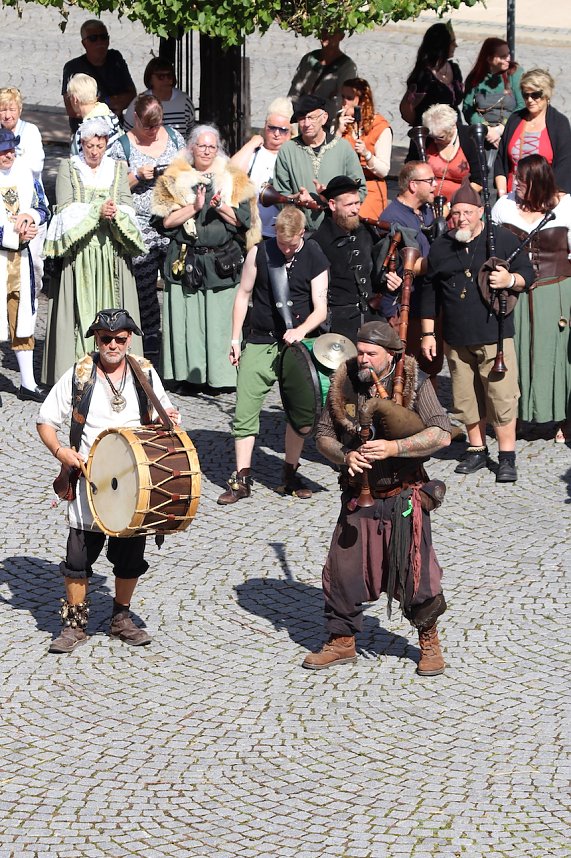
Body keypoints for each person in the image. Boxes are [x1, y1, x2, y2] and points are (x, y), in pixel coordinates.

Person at [302, 320, 451, 676]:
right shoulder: (345, 382)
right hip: (359, 494)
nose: (363, 358)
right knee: (341, 570)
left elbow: (442, 435)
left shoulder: (417, 382)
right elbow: (323, 434)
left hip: (404, 495)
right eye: (360, 351)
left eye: (371, 353)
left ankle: (428, 640)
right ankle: (342, 641)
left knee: (417, 573)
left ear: (391, 354)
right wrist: (345, 455)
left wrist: (395, 447)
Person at [37, 308, 181, 654]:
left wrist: (171, 418)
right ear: (96, 339)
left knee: (130, 557)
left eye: (120, 338)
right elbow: (44, 420)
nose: (113, 345)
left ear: (129, 339)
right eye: (106, 339)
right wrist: (61, 452)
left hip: (134, 485)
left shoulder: (144, 373)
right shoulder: (80, 375)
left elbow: (168, 413)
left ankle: (121, 617)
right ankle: (74, 624)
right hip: (90, 483)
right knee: (77, 559)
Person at [420, 181, 535, 482]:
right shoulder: (442, 246)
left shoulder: (501, 239)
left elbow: (529, 274)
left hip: (494, 335)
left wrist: (510, 280)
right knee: (466, 397)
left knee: (501, 396)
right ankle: (476, 449)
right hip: (456, 339)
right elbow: (429, 293)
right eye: (456, 213)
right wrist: (428, 334)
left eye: (468, 212)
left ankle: (507, 456)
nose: (462, 218)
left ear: (481, 211)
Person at [217, 207, 328, 504]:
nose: (286, 249)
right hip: (261, 340)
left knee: (299, 409)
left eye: (291, 245)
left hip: (298, 343)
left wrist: (301, 330)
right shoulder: (259, 253)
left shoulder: (314, 255)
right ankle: (241, 479)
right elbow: (243, 293)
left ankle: (290, 473)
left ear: (302, 234)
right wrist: (235, 337)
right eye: (281, 243)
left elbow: (321, 308)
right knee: (245, 409)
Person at [151, 124, 260, 392]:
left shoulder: (233, 178)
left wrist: (221, 207)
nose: (207, 151)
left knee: (220, 322)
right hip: (185, 260)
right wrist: (194, 207)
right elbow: (164, 222)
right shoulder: (173, 177)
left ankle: (221, 378)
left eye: (212, 146)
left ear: (218, 149)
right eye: (202, 145)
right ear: (191, 148)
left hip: (221, 261)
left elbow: (243, 222)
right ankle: (189, 378)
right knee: (188, 323)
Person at [42, 117, 145, 386]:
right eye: (89, 146)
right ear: (82, 144)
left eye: (99, 146)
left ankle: (116, 367)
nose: (94, 151)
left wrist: (115, 215)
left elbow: (128, 206)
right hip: (80, 253)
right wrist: (94, 213)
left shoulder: (117, 169)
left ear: (106, 144)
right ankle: (76, 370)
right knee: (77, 312)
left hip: (111, 251)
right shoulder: (69, 168)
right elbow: (63, 209)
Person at [492, 155, 571, 441]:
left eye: (522, 181)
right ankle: (519, 415)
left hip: (556, 289)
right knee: (519, 352)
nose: (516, 185)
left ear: (538, 183)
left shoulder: (567, 208)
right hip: (516, 291)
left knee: (557, 355)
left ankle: (564, 418)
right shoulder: (504, 206)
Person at [109, 94, 185, 357]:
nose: (153, 132)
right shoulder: (122, 146)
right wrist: (138, 176)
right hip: (139, 225)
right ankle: (150, 336)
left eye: (157, 126)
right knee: (144, 283)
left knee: (177, 279)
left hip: (171, 221)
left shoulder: (174, 138)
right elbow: (115, 186)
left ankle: (177, 335)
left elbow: (188, 171)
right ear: (136, 119)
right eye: (147, 126)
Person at [312, 175, 401, 341]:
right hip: (338, 325)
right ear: (332, 205)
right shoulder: (318, 242)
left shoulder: (366, 231)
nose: (355, 209)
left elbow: (377, 271)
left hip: (373, 319)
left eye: (357, 203)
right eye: (349, 205)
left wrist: (390, 280)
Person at [380, 162, 442, 379]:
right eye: (430, 181)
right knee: (406, 373)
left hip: (427, 303)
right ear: (413, 185)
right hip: (405, 306)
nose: (435, 185)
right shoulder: (392, 218)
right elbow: (400, 269)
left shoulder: (426, 210)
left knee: (429, 369)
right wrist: (442, 261)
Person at [0, 128, 49, 402]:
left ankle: (27, 384)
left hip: (22, 261)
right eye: (3, 151)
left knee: (23, 318)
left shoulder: (25, 173)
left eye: (11, 149)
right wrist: (13, 236)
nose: (9, 154)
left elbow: (44, 206)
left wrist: (30, 218)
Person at [272, 94, 366, 232]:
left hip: (338, 230)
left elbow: (361, 190)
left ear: (324, 118)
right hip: (301, 231)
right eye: (302, 119)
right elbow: (279, 194)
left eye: (311, 117)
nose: (306, 123)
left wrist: (332, 197)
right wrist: (296, 199)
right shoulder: (288, 150)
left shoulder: (343, 148)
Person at [0, 86, 48, 294]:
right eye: (2, 109)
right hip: (3, 210)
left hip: (29, 207)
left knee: (33, 263)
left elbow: (36, 165)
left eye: (11, 109)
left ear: (20, 110)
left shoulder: (30, 131)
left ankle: (31, 305)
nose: (7, 114)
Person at [495, 69, 571, 196]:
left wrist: (551, 201)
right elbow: (500, 161)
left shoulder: (559, 123)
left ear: (546, 95)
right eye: (525, 95)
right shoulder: (515, 119)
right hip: (511, 196)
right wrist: (503, 195)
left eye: (535, 95)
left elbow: (564, 169)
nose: (530, 100)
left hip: (545, 198)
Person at [230, 97, 293, 239]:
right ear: (265, 126)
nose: (277, 133)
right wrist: (252, 143)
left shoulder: (293, 155)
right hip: (254, 232)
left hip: (284, 233)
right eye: (272, 128)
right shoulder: (255, 152)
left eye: (283, 130)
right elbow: (232, 171)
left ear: (290, 132)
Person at [62, 19, 136, 132]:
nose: (99, 42)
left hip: (115, 130)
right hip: (84, 132)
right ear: (84, 43)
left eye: (103, 37)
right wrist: (108, 104)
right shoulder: (72, 68)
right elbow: (71, 110)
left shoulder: (116, 59)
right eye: (93, 38)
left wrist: (91, 104)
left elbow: (131, 95)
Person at [463, 37, 525, 171]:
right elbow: (468, 109)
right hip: (483, 135)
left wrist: (502, 128)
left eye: (508, 54)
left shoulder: (514, 73)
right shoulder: (475, 78)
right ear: (489, 59)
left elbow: (522, 105)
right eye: (502, 56)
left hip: (509, 131)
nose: (508, 58)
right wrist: (487, 130)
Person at [336, 77, 392, 220]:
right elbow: (328, 157)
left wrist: (367, 155)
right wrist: (337, 132)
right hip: (344, 184)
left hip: (369, 184)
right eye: (343, 97)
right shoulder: (341, 123)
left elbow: (383, 171)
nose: (344, 103)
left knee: (361, 221)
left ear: (362, 101)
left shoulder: (380, 127)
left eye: (349, 98)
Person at [400, 22, 463, 129]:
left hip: (454, 130)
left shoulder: (454, 69)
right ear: (441, 45)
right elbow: (407, 109)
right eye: (452, 42)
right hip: (431, 133)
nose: (456, 45)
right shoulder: (424, 76)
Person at [419, 104, 482, 206]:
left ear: (453, 127)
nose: (435, 141)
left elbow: (479, 181)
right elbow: (411, 171)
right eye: (432, 137)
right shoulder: (424, 138)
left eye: (440, 137)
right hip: (426, 202)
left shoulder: (469, 138)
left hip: (460, 203)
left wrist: (451, 204)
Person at [288, 30, 357, 118]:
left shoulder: (347, 68)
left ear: (341, 36)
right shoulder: (308, 60)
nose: (326, 35)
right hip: (302, 119)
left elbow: (341, 104)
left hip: (328, 124)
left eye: (332, 32)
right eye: (324, 31)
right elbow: (293, 94)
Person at [122, 58, 196, 140]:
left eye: (169, 76)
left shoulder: (184, 101)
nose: (166, 80)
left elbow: (191, 132)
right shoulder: (139, 102)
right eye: (161, 76)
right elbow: (128, 132)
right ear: (150, 79)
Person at [67, 73, 123, 156]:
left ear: (75, 99)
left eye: (69, 97)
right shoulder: (111, 116)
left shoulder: (86, 131)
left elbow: (80, 164)